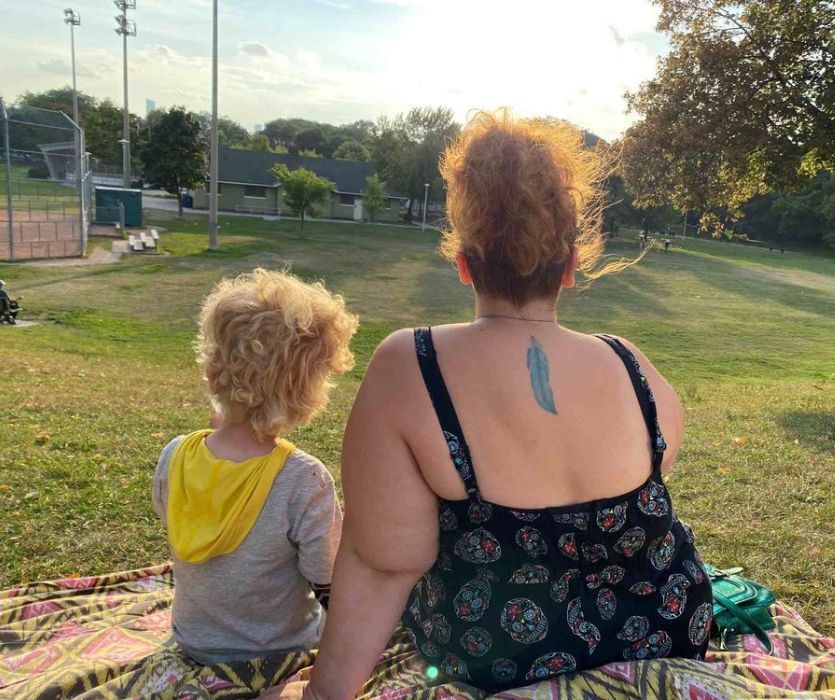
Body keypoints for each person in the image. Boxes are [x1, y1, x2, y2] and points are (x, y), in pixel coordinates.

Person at [269, 110, 712, 699]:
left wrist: (323, 695)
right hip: (668, 629)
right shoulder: (632, 364)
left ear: (462, 263)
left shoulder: (412, 366)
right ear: (573, 267)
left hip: (498, 654)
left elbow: (385, 562)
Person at [152, 268, 357, 664]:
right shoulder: (304, 479)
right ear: (307, 392)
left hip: (193, 642)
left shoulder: (174, 455)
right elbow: (329, 581)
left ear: (213, 373)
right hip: (278, 652)